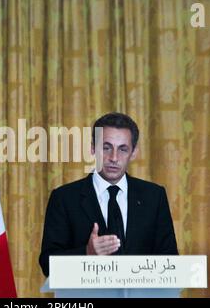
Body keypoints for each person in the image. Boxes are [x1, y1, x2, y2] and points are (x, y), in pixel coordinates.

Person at [39, 112, 178, 277]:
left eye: (123, 149)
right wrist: (86, 253)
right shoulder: (64, 198)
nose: (114, 158)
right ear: (92, 148)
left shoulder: (154, 196)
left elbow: (170, 261)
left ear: (134, 153)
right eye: (106, 147)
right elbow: (48, 264)